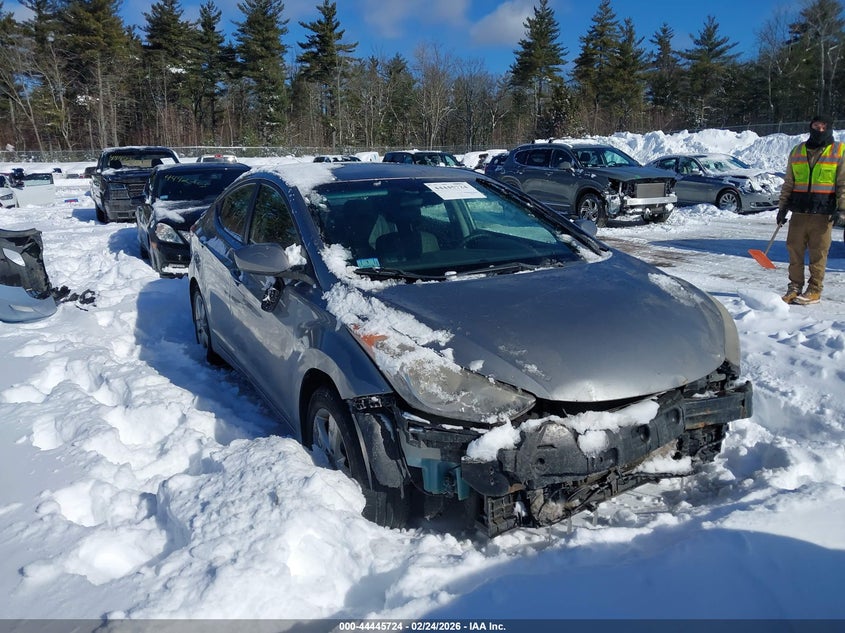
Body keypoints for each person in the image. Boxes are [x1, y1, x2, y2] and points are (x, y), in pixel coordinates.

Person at [777, 114, 845, 305]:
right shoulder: (797, 151)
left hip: (823, 214)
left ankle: (814, 289)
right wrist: (782, 207)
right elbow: (789, 182)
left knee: (818, 253)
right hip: (799, 212)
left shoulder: (839, 150)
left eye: (824, 127)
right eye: (817, 126)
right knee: (794, 250)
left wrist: (842, 209)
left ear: (829, 128)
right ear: (811, 127)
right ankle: (794, 287)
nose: (820, 130)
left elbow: (843, 183)